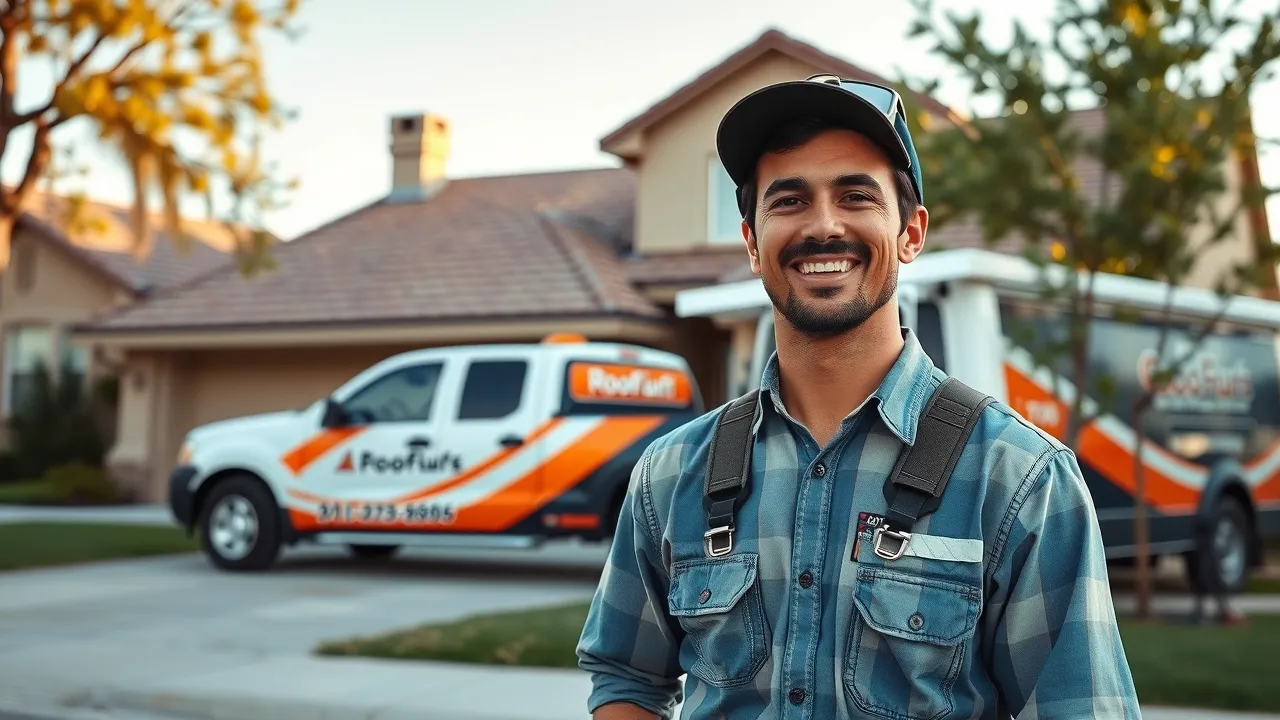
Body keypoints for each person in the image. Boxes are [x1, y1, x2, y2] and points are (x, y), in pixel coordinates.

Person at [575, 73, 1139, 719]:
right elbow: (625, 678)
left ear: (912, 233)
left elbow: (1079, 708)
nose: (823, 226)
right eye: (788, 200)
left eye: (855, 196)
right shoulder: (673, 473)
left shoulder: (1017, 476)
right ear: (753, 243)